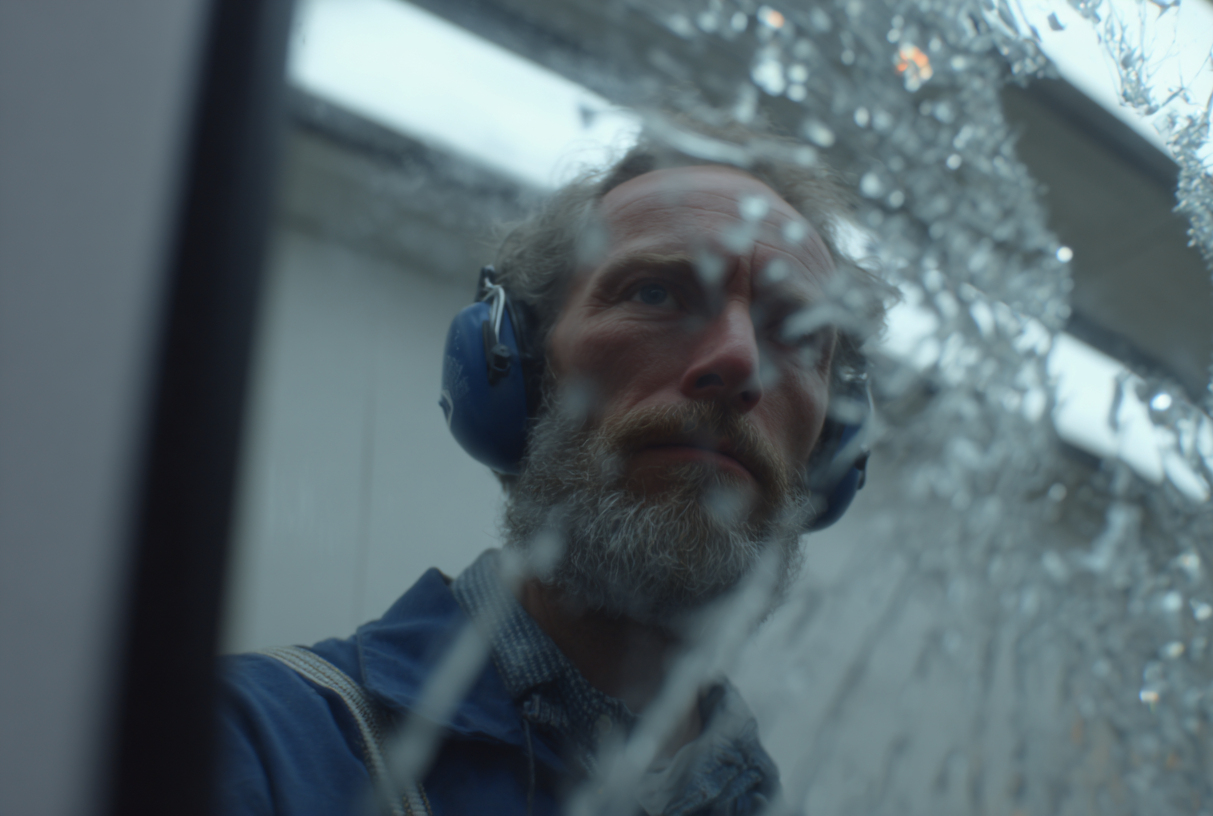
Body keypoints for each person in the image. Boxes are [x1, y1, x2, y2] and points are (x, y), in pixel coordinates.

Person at [215, 121, 889, 816]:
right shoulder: (244, 748)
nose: (740, 362)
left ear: (828, 454)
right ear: (519, 374)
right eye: (657, 294)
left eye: (799, 333)